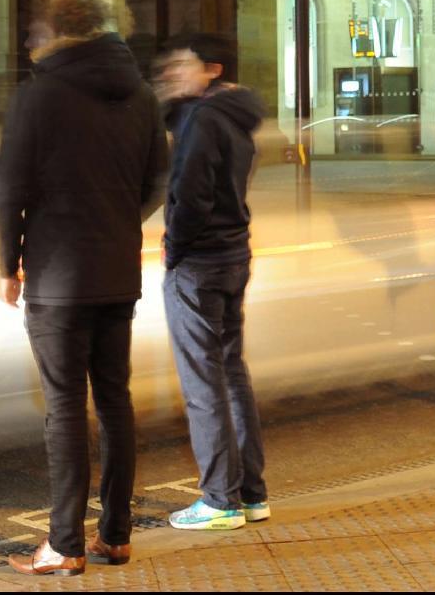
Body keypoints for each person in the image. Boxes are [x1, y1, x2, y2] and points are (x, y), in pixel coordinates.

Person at [0, 0, 168, 577]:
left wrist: (6, 261)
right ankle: (114, 535)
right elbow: (156, 180)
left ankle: (64, 543)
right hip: (117, 269)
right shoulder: (141, 93)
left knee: (65, 404)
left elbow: (7, 185)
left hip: (59, 273)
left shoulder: (40, 95)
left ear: (61, 29)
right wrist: (118, 219)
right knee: (115, 397)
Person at [154, 31, 270, 531]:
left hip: (199, 263)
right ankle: (251, 494)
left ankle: (220, 500)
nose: (174, 72)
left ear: (213, 69)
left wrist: (173, 249)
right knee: (231, 373)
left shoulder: (203, 119)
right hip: (233, 254)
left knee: (204, 381)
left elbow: (192, 194)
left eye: (185, 63)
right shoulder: (235, 117)